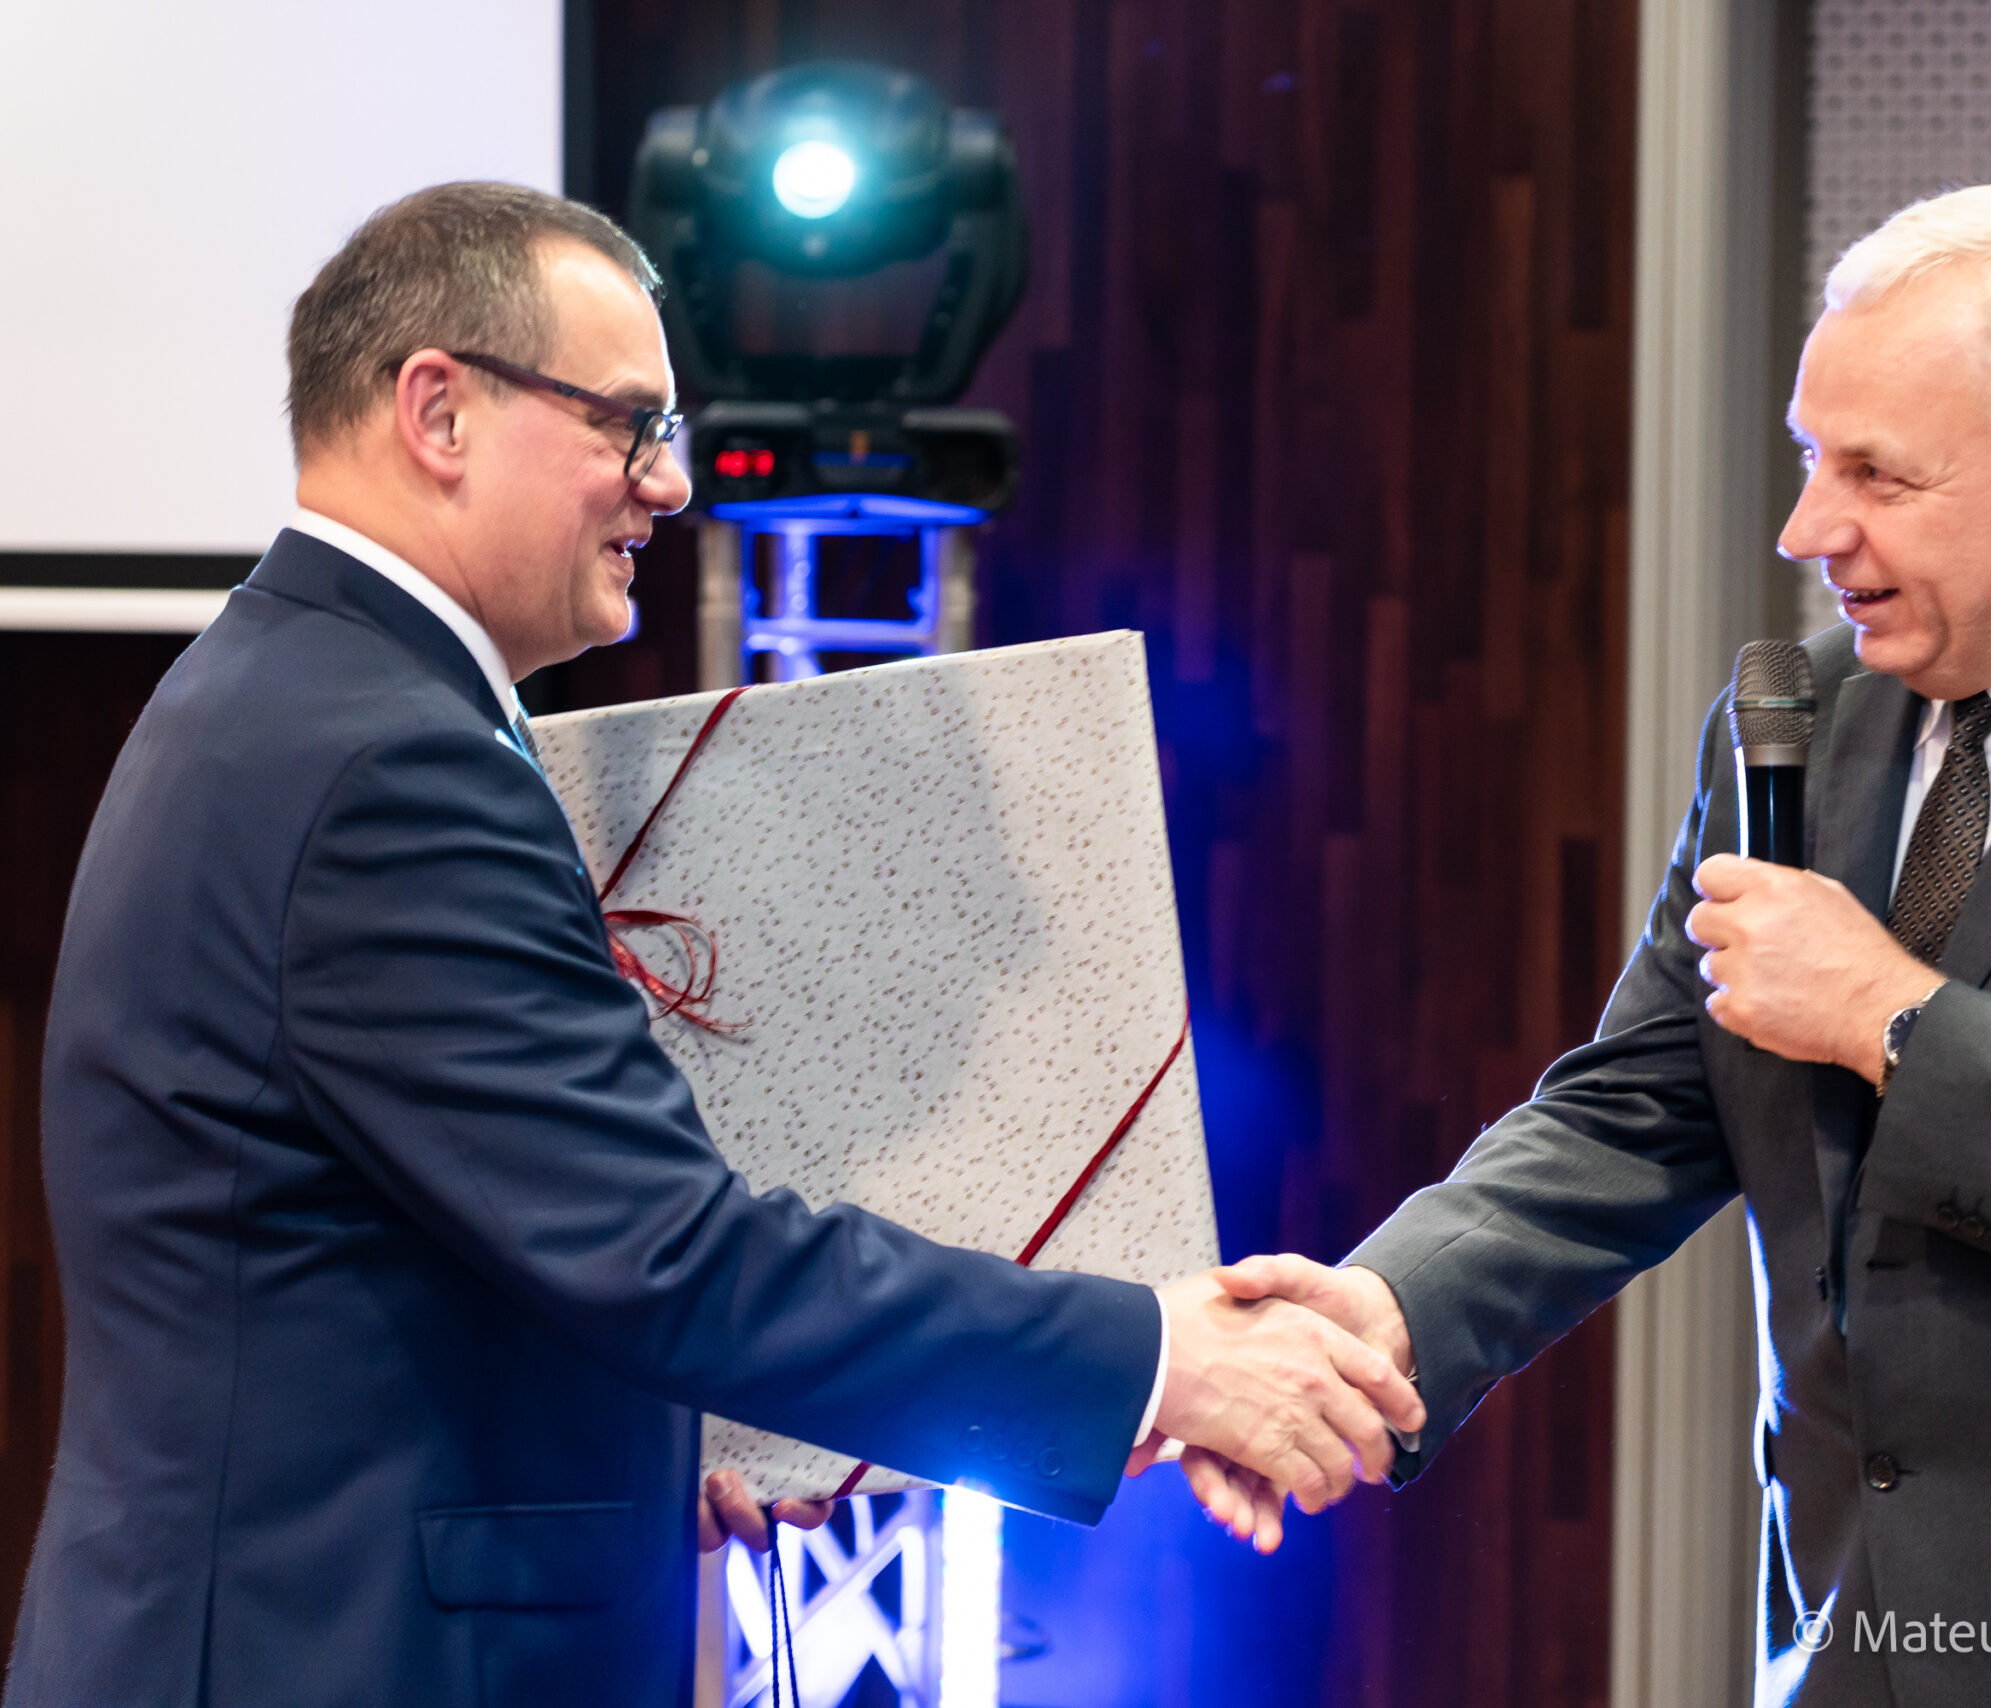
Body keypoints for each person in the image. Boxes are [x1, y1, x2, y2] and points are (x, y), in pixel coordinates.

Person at [8, 182, 1420, 1708]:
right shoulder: (381, 764)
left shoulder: (303, 697)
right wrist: (1159, 1359)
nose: (670, 484)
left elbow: (423, 1251)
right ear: (440, 412)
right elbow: (668, 1251)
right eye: (629, 425)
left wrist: (643, 1454)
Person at [1192, 185, 1991, 1704]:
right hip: (1846, 1627)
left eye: (1879, 475)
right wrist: (1387, 1315)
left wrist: (1898, 1021)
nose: (1809, 531)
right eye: (1811, 456)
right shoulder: (1804, 719)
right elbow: (1638, 1106)